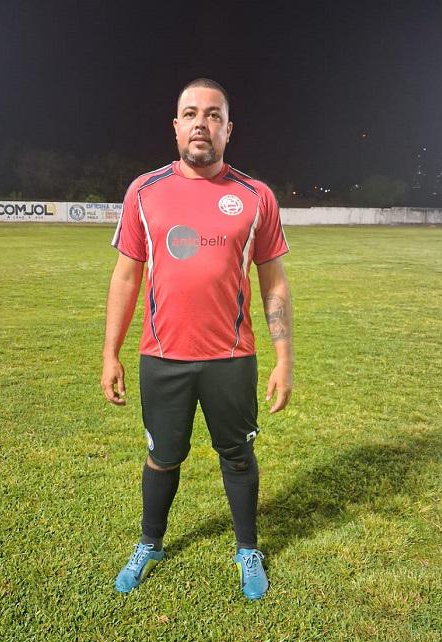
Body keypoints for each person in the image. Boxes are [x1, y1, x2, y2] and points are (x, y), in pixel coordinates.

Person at [101, 78, 293, 600]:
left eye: (213, 115)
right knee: (163, 456)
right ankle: (150, 543)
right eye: (191, 114)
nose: (201, 124)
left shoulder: (256, 196)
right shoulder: (144, 191)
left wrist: (283, 359)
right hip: (162, 357)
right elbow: (126, 277)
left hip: (232, 358)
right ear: (176, 127)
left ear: (228, 129)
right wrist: (110, 353)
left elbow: (273, 283)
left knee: (238, 456)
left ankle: (247, 549)